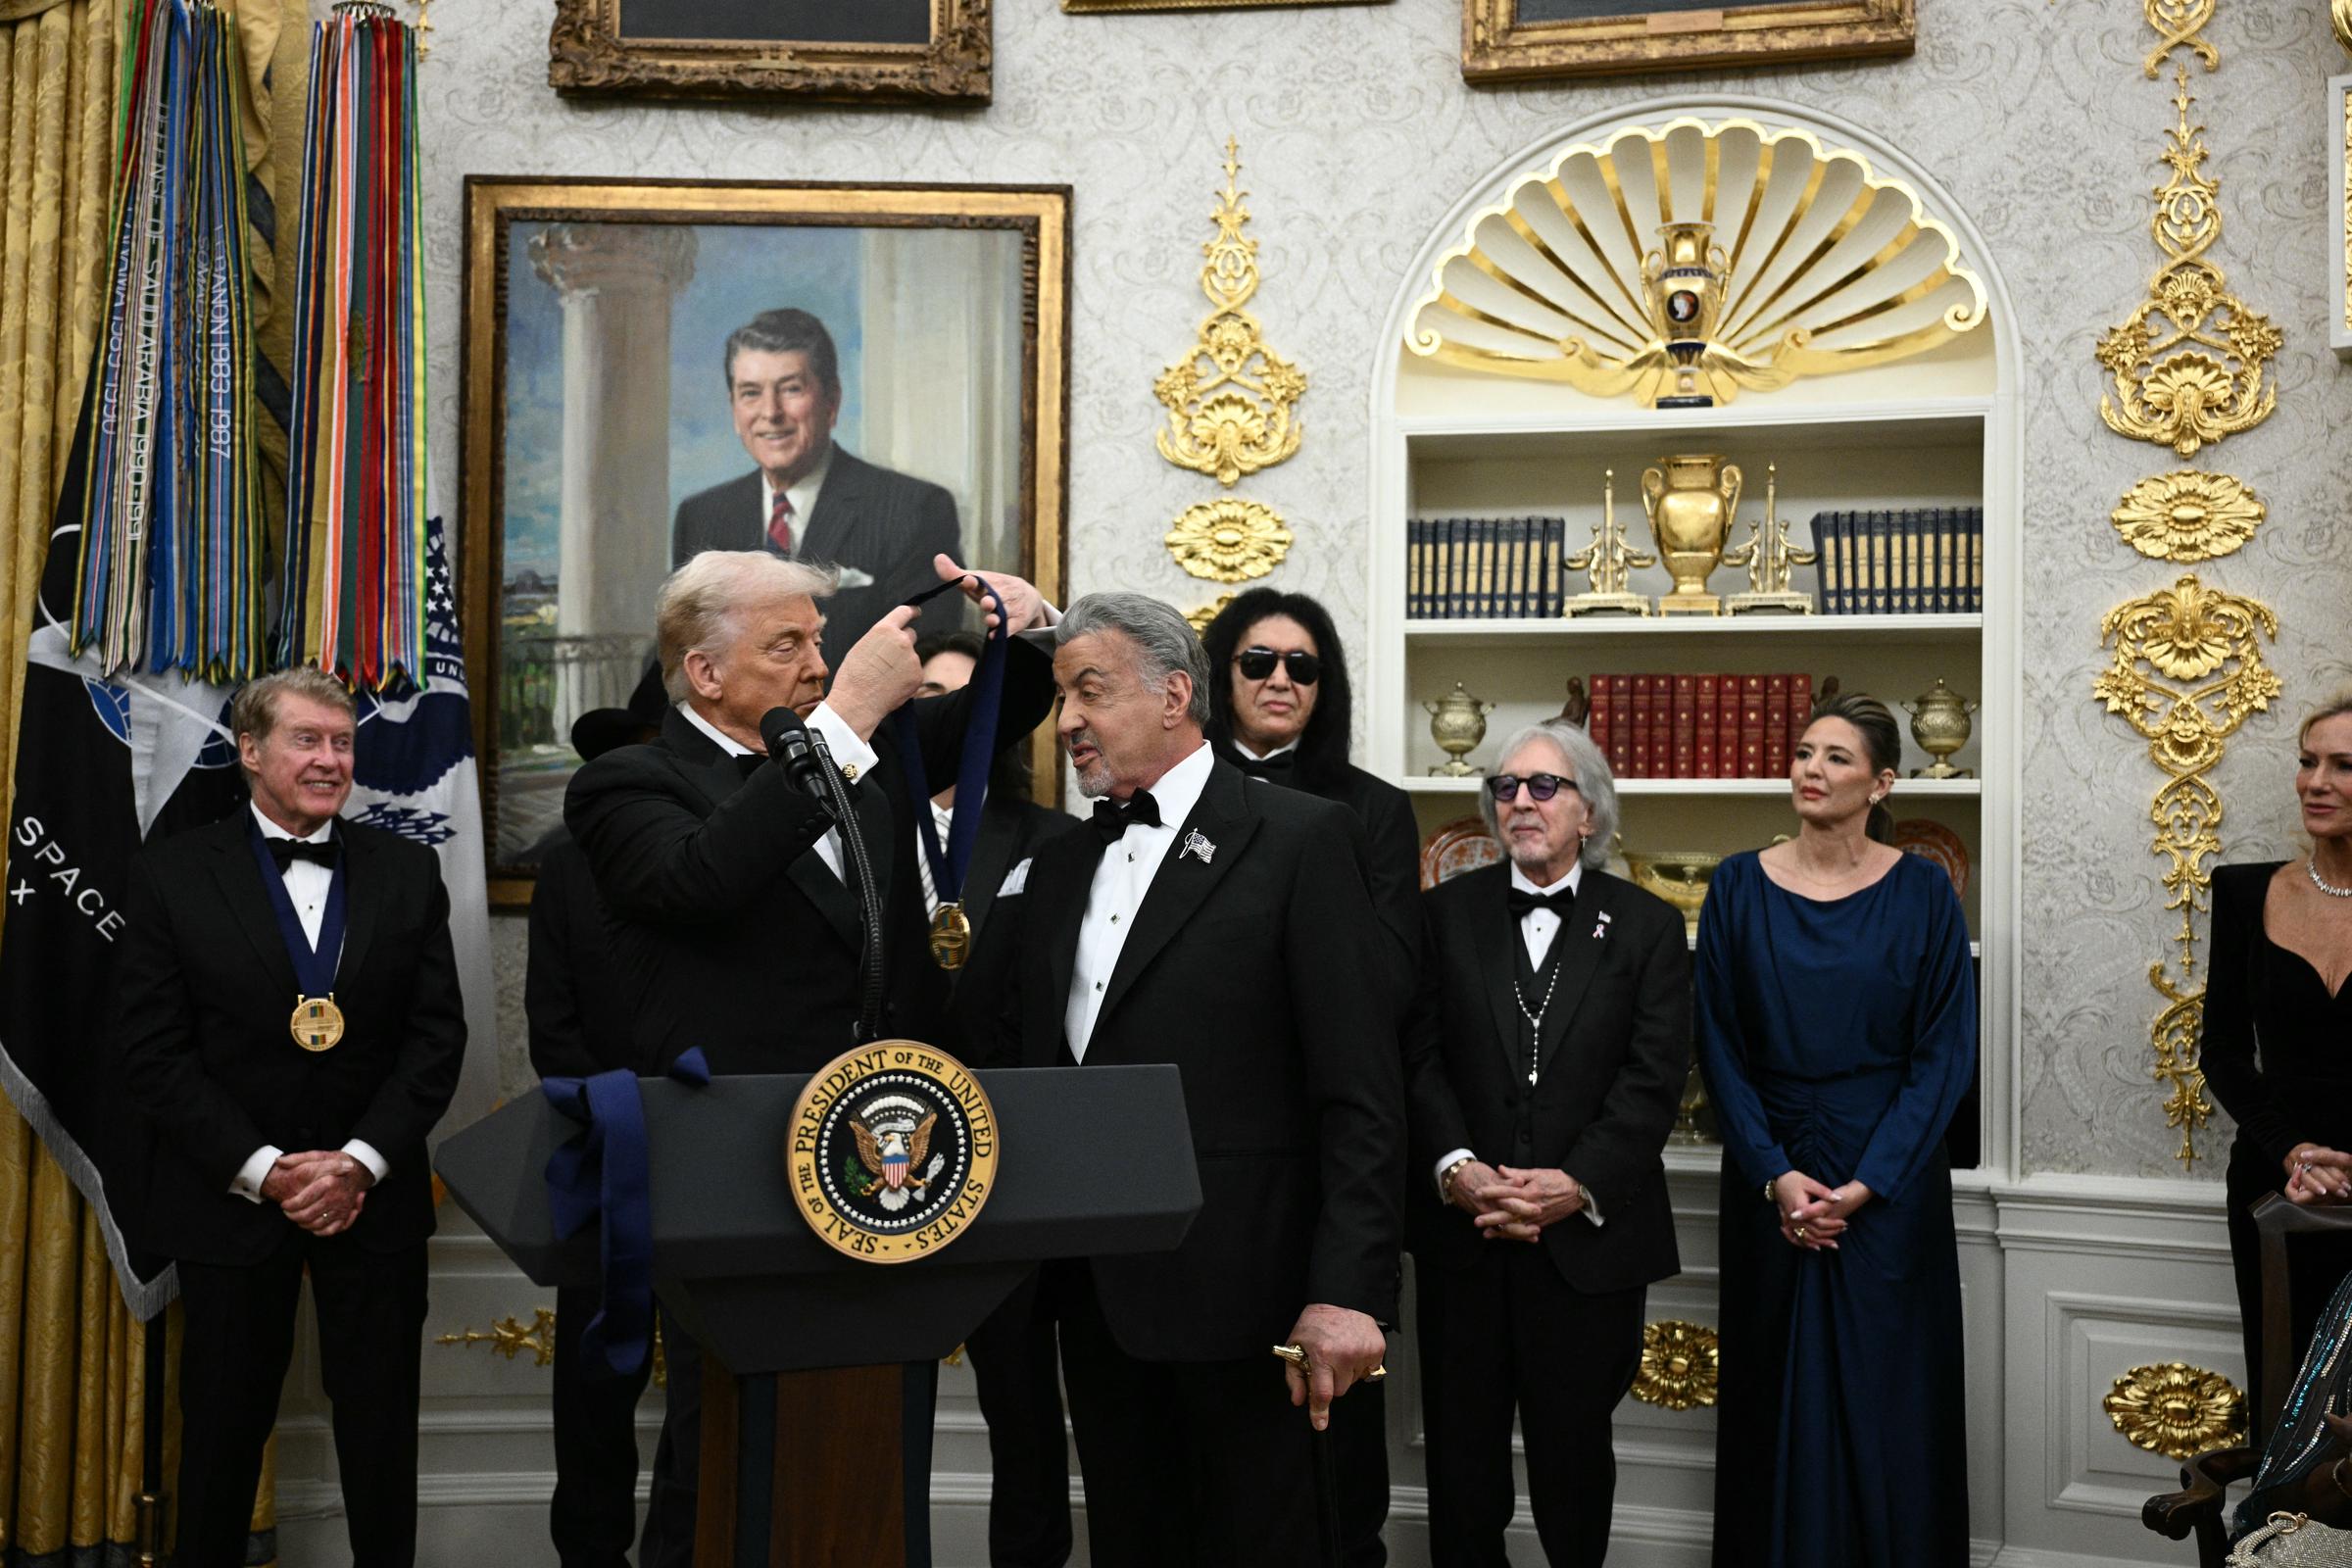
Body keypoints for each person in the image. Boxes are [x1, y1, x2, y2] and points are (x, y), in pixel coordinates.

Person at [564, 548, 1055, 1567]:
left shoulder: (856, 768)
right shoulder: (628, 782)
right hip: (734, 1166)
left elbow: (996, 713)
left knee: (873, 1431)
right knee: (723, 1445)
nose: (816, 664)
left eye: (820, 642)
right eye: (787, 644)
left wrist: (1025, 625)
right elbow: (701, 880)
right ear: (703, 671)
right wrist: (844, 724)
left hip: (884, 1159)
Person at [965, 591, 1402, 1567]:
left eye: (1090, 690)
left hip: (1258, 1306)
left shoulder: (1302, 839)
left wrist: (1349, 1290)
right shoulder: (1054, 863)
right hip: (1094, 1302)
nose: (1068, 720)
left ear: (1175, 693)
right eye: (1059, 695)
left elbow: (1362, 1089)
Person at [111, 667, 466, 1568]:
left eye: (342, 743)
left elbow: (436, 1040)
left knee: (383, 1439)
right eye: (307, 740)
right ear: (251, 752)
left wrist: (357, 1163)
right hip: (228, 1207)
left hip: (372, 1203)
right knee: (222, 1440)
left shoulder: (408, 869)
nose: (330, 760)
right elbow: (154, 1055)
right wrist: (267, 1168)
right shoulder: (169, 874)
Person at [1693, 691, 1976, 1568]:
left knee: (1890, 1393)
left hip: (1888, 1185)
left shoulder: (1925, 889)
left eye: (1836, 758)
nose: (1810, 770)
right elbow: (1719, 1046)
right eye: (1804, 753)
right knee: (1771, 1385)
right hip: (1769, 1175)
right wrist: (1775, 1174)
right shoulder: (1737, 883)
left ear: (1882, 781)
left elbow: (1943, 1056)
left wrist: (1868, 1183)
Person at [1403, 717, 1690, 1567]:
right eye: (1505, 788)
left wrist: (1577, 1183)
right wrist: (1456, 1169)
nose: (1519, 803)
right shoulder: (1440, 917)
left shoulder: (1645, 926)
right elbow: (1415, 1059)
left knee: (1574, 1463)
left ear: (1590, 813)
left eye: (1542, 787)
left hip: (1591, 1247)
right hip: (1466, 1240)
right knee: (1462, 1467)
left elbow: (1653, 1081)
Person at [1200, 586, 1419, 1563]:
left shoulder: (1371, 810)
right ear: (1218, 676)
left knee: (1328, 1462)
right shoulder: (1173, 796)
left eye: (1303, 666)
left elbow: (1388, 982)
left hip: (1323, 1141)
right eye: (1257, 662)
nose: (1280, 680)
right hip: (1201, 1154)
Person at [912, 629, 1084, 1568]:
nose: (947, 717)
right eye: (930, 698)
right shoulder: (854, 833)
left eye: (966, 702)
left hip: (1010, 1164)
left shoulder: (1052, 840)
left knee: (1022, 1402)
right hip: (879, 1155)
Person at [526, 667, 664, 1568]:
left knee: (716, 1390)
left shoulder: (755, 857)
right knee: (592, 1397)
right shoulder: (568, 866)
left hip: (734, 1159)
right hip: (606, 1157)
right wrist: (619, 1121)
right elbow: (553, 1025)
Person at [2205, 687, 2352, 1412]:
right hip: (2271, 1186)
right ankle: (2283, 1531)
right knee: (2284, 1401)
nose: (2316, 782)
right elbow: (2223, 1051)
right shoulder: (2242, 893)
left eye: (2344, 765)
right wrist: (2294, 1151)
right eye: (2307, 761)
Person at [669, 306, 963, 656]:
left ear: (831, 400)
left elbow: (924, 662)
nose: (770, 412)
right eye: (750, 392)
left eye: (791, 389)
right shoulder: (702, 516)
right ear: (734, 407)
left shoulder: (914, 510)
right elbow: (680, 656)